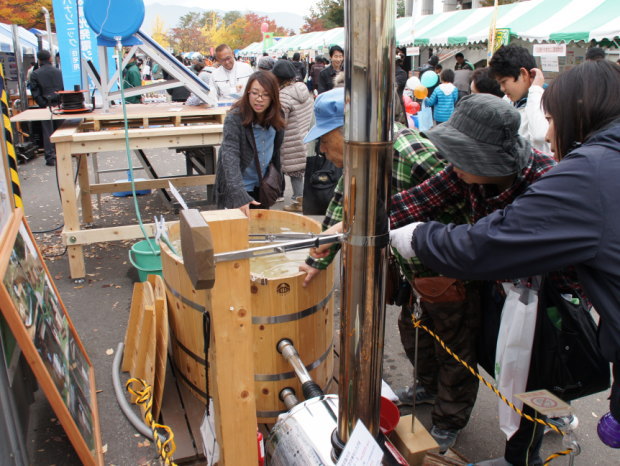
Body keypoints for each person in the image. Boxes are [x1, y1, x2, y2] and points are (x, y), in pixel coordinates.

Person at [390, 60, 620, 465]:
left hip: (548, 306)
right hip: (508, 296)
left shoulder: (555, 181)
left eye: (553, 120)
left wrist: (419, 238)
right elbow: (413, 202)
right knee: (504, 370)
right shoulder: (462, 174)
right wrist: (357, 228)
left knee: (534, 381)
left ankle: (524, 454)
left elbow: (490, 244)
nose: (549, 133)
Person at [214, 71, 285, 216]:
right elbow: (230, 156)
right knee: (236, 233)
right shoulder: (235, 118)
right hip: (238, 188)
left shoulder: (278, 116)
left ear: (273, 97)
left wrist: (278, 181)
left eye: (265, 94)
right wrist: (239, 194)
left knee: (260, 232)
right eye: (255, 93)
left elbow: (276, 152)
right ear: (247, 93)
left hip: (262, 186)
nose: (259, 99)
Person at [489, 45, 549, 153]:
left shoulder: (546, 101)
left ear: (523, 74)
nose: (502, 88)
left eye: (504, 82)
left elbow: (540, 136)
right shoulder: (510, 101)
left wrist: (535, 89)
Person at [271, 60, 313, 213]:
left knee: (295, 173)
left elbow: (281, 121)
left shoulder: (283, 96)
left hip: (291, 140)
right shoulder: (303, 89)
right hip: (304, 136)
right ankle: (302, 198)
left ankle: (298, 199)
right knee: (300, 172)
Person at [29, 49, 63, 166]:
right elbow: (63, 87)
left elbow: (35, 92)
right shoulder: (59, 72)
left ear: (38, 60)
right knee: (61, 130)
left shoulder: (35, 74)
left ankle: (50, 157)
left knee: (47, 131)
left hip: (46, 105)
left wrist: (43, 103)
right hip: (59, 104)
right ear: (50, 58)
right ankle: (62, 154)